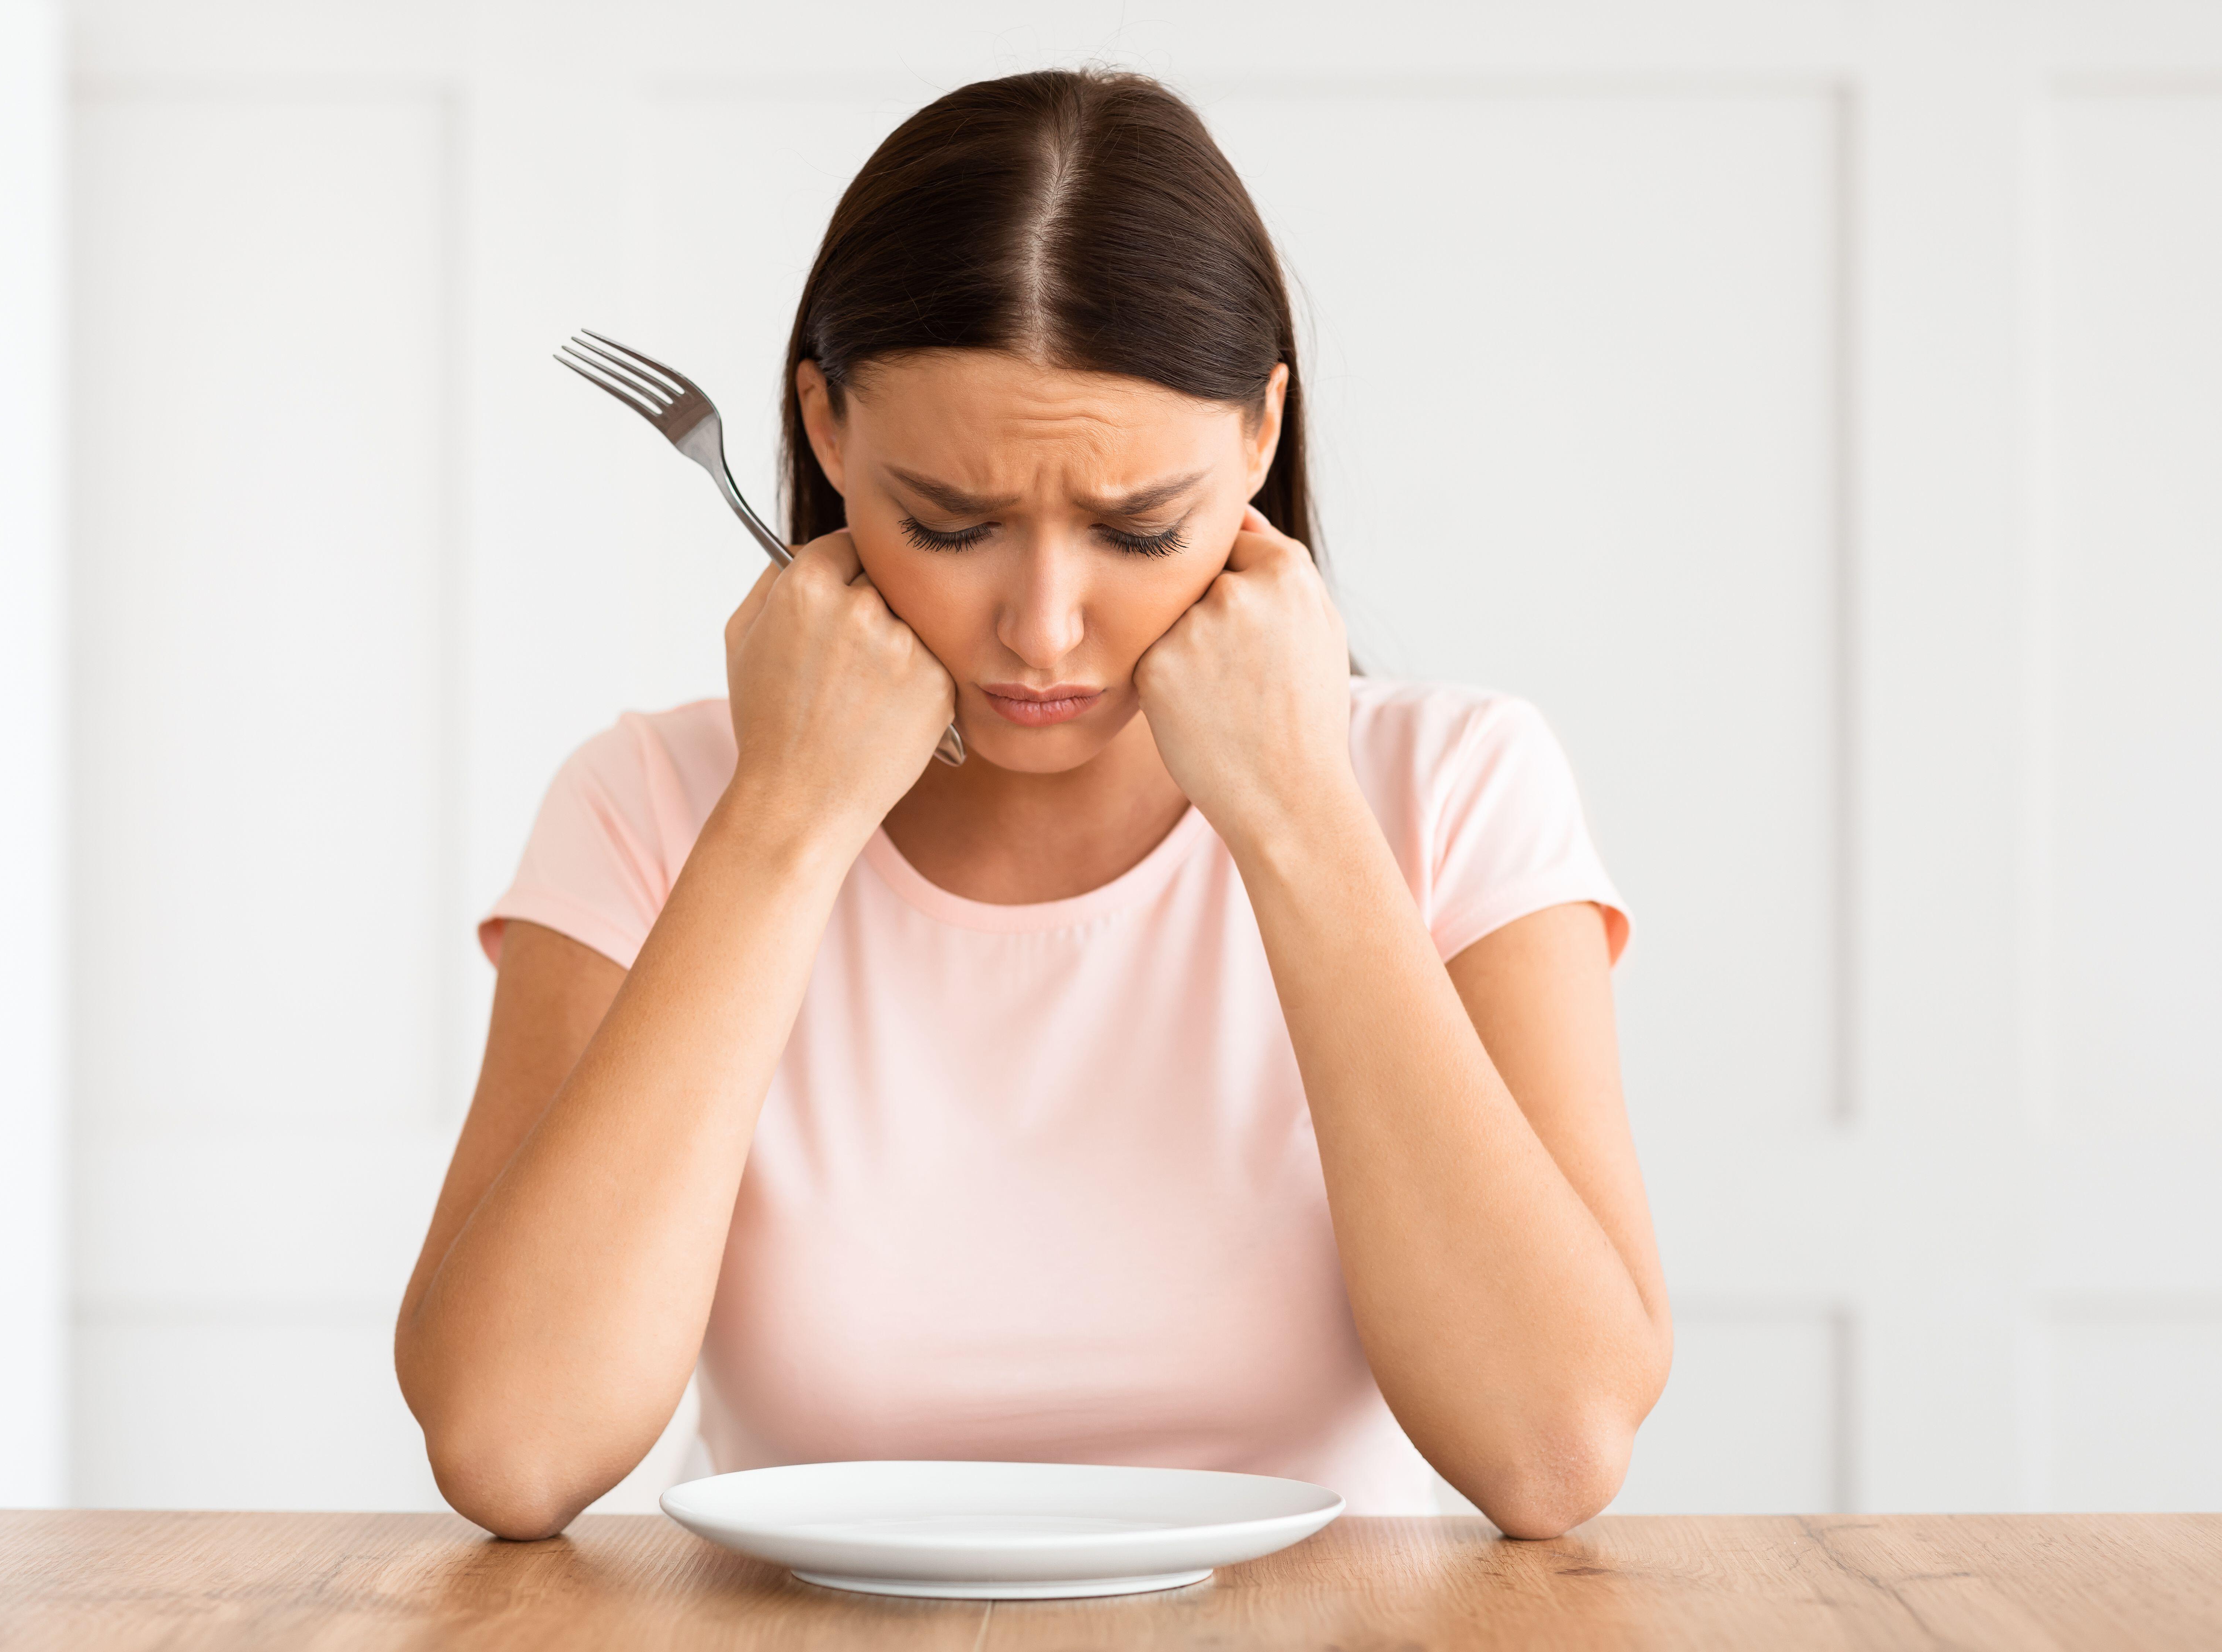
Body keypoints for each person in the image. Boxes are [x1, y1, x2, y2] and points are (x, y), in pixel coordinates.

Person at [395, 66, 1671, 1542]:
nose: (1046, 629)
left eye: (1139, 529)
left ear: (1261, 438)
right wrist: (786, 821)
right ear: (821, 427)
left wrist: (1301, 814)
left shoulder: (1453, 785)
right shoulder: (649, 801)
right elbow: (510, 1445)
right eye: (953, 523)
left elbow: (1554, 1449)